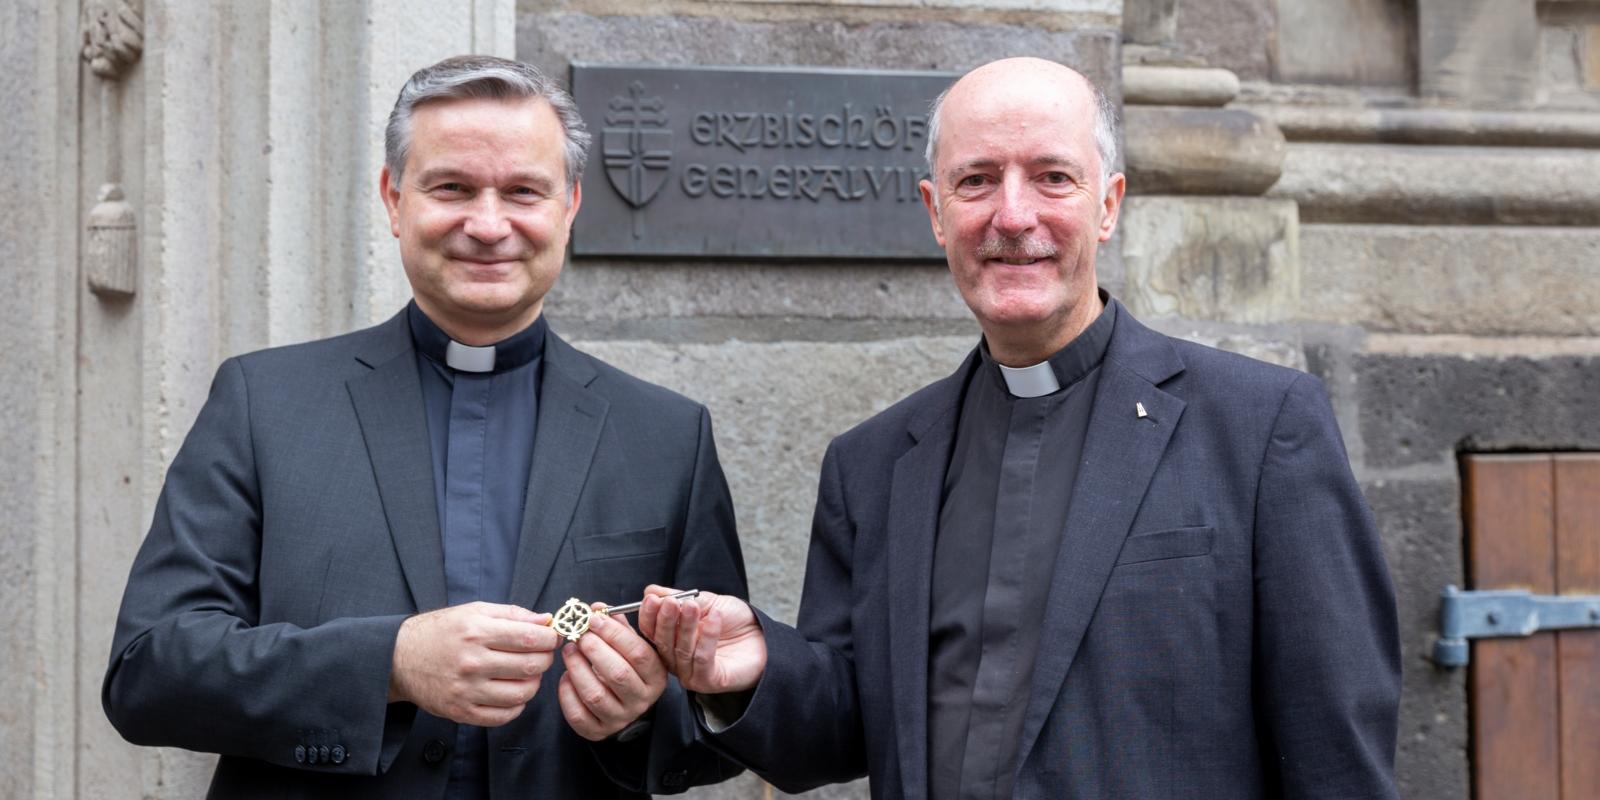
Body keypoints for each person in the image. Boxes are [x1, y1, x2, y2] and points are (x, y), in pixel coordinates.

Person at [640, 56, 1400, 799]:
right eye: (977, 180)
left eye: (1052, 177)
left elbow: (1335, 751)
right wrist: (754, 671)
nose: (1013, 215)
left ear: (1108, 205)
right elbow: (847, 727)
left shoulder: (1261, 428)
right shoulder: (871, 464)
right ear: (937, 212)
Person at [102, 55, 747, 798]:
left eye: (523, 192)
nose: (487, 223)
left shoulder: (667, 436)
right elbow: (148, 673)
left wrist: (639, 714)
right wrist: (393, 664)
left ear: (569, 205)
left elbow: (717, 716)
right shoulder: (263, 402)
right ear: (394, 197)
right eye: (452, 188)